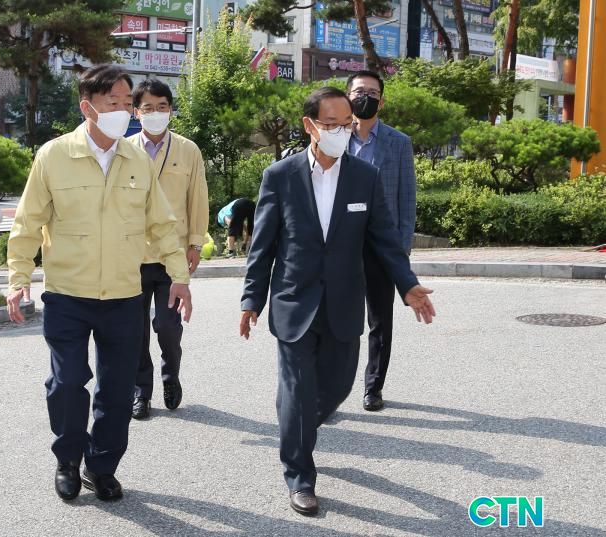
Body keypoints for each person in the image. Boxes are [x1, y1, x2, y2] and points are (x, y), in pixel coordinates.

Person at [239, 87, 435, 516]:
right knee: (297, 389)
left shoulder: (364, 176)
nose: (341, 132)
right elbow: (263, 246)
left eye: (347, 124)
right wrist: (251, 299)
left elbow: (384, 239)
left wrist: (407, 285)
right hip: (294, 301)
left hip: (344, 301)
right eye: (331, 125)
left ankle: (297, 423)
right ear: (310, 125)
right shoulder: (280, 176)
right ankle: (300, 476)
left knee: (339, 385)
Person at [5, 65, 192, 504]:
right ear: (88, 107)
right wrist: (18, 279)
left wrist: (179, 277)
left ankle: (102, 466)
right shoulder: (54, 155)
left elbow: (163, 225)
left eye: (128, 103)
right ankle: (68, 460)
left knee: (118, 387)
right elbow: (27, 223)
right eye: (115, 103)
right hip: (68, 294)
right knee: (68, 381)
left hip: (124, 296)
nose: (124, 111)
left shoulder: (136, 159)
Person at [127, 78, 209, 420]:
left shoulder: (188, 150)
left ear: (171, 110)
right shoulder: (124, 149)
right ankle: (140, 391)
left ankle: (170, 374)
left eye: (162, 107)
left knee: (167, 326)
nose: (155, 113)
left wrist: (195, 244)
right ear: (136, 112)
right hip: (132, 255)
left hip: (171, 255)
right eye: (148, 108)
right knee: (134, 331)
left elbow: (198, 199)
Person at [346, 70, 417, 412]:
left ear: (382, 101)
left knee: (379, 321)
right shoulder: (332, 138)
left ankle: (373, 387)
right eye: (360, 91)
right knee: (339, 320)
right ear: (347, 97)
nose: (366, 97)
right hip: (341, 246)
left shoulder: (399, 143)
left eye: (372, 93)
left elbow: (407, 200)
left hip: (381, 248)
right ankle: (333, 385)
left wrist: (400, 252)